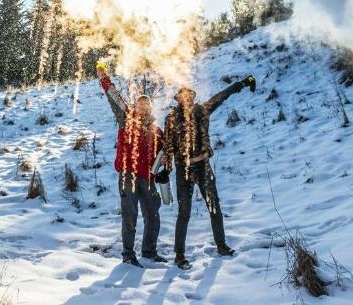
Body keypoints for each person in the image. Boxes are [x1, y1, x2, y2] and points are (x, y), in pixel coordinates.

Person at [164, 75, 256, 270]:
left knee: (214, 206)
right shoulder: (171, 119)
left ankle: (221, 246)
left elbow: (222, 96)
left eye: (189, 95)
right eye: (183, 96)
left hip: (203, 166)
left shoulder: (201, 110)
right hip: (183, 169)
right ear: (178, 99)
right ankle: (179, 256)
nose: (186, 98)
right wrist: (165, 169)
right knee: (184, 212)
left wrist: (242, 84)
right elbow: (168, 147)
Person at [97, 62, 168, 267]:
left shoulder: (157, 130)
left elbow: (165, 153)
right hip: (129, 176)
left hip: (149, 177)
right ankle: (128, 255)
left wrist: (165, 160)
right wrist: (104, 77)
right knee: (130, 217)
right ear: (136, 106)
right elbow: (114, 96)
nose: (144, 106)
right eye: (140, 103)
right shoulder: (127, 118)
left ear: (151, 107)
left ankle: (149, 252)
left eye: (147, 104)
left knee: (153, 217)